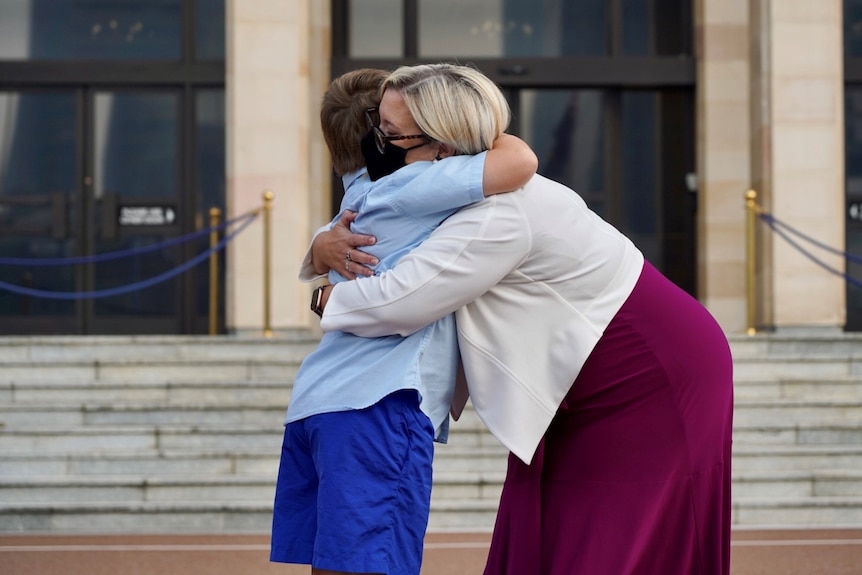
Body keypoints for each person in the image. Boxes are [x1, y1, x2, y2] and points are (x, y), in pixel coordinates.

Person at [307, 67, 734, 574]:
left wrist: (325, 301)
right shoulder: (448, 188)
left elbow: (404, 300)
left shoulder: (496, 212)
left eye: (391, 134)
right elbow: (367, 213)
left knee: (605, 539)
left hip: (649, 372)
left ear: (443, 146)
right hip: (578, 373)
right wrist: (319, 245)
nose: (377, 145)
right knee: (540, 523)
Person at [270, 65, 537, 575]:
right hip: (378, 401)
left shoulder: (360, 190)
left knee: (337, 563)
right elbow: (520, 160)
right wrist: (461, 122)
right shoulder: (422, 183)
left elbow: (322, 247)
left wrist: (320, 247)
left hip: (320, 400)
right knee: (375, 563)